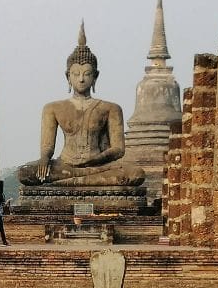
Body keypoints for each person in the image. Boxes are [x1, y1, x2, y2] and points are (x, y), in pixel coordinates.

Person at [17, 23, 145, 188]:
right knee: (25, 173)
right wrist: (44, 159)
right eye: (76, 74)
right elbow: (48, 147)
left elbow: (118, 149)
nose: (81, 79)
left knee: (135, 174)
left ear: (95, 76)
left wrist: (94, 160)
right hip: (65, 165)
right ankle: (80, 180)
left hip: (99, 166)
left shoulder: (110, 108)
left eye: (87, 74)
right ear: (67, 76)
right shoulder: (52, 108)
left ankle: (70, 182)